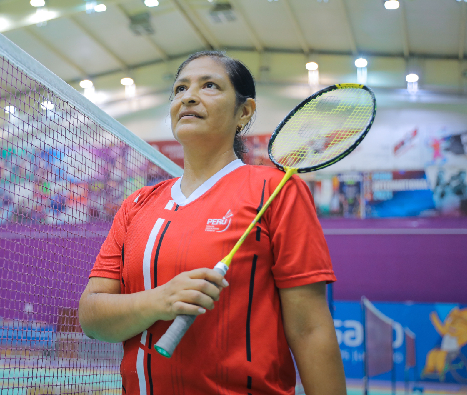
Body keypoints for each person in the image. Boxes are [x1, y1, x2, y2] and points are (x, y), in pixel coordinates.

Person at [79, 51, 346, 395]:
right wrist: (161, 300)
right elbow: (92, 318)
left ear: (244, 112)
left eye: (210, 86)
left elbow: (310, 329)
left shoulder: (275, 189)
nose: (188, 96)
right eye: (180, 89)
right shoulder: (136, 205)